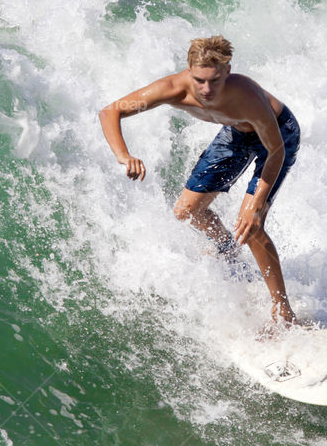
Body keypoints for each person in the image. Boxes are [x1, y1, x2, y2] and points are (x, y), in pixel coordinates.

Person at [98, 35, 300, 328]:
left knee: (251, 226)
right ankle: (227, 250)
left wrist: (256, 203)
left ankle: (283, 310)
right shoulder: (172, 89)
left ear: (227, 72)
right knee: (186, 211)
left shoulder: (246, 97)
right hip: (235, 133)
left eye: (215, 81)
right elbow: (111, 111)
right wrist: (123, 155)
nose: (206, 89)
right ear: (189, 70)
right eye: (199, 80)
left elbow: (276, 150)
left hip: (278, 136)